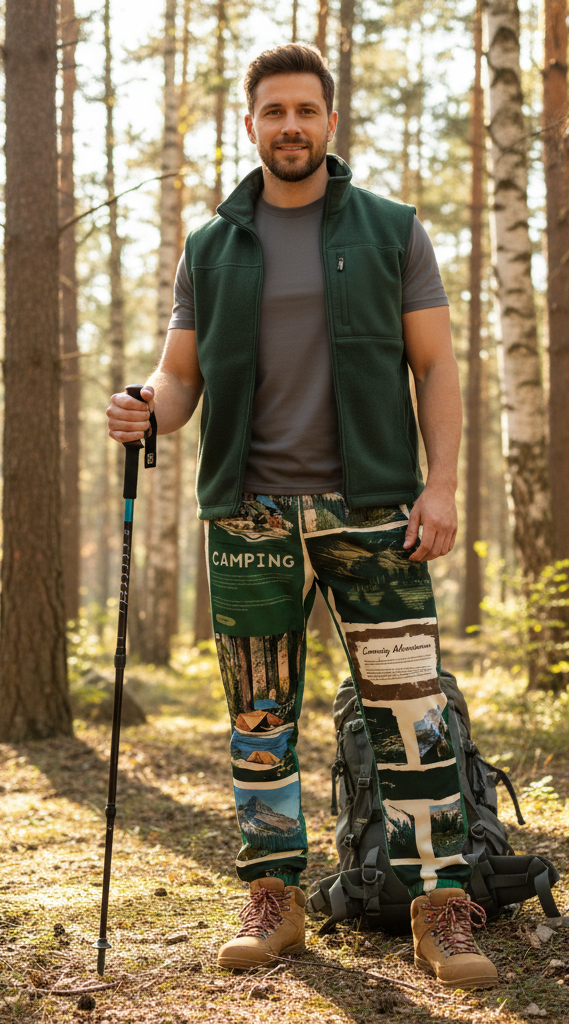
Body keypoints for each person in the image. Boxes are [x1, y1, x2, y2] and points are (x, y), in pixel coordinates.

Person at [106, 43, 495, 989]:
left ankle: (440, 906)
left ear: (330, 121)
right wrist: (148, 407)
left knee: (413, 715)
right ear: (250, 126)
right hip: (249, 517)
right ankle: (275, 897)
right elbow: (183, 373)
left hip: (375, 515)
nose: (290, 126)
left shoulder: (392, 228)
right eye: (272, 111)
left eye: (305, 111)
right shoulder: (212, 246)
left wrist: (440, 487)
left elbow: (437, 365)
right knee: (258, 715)